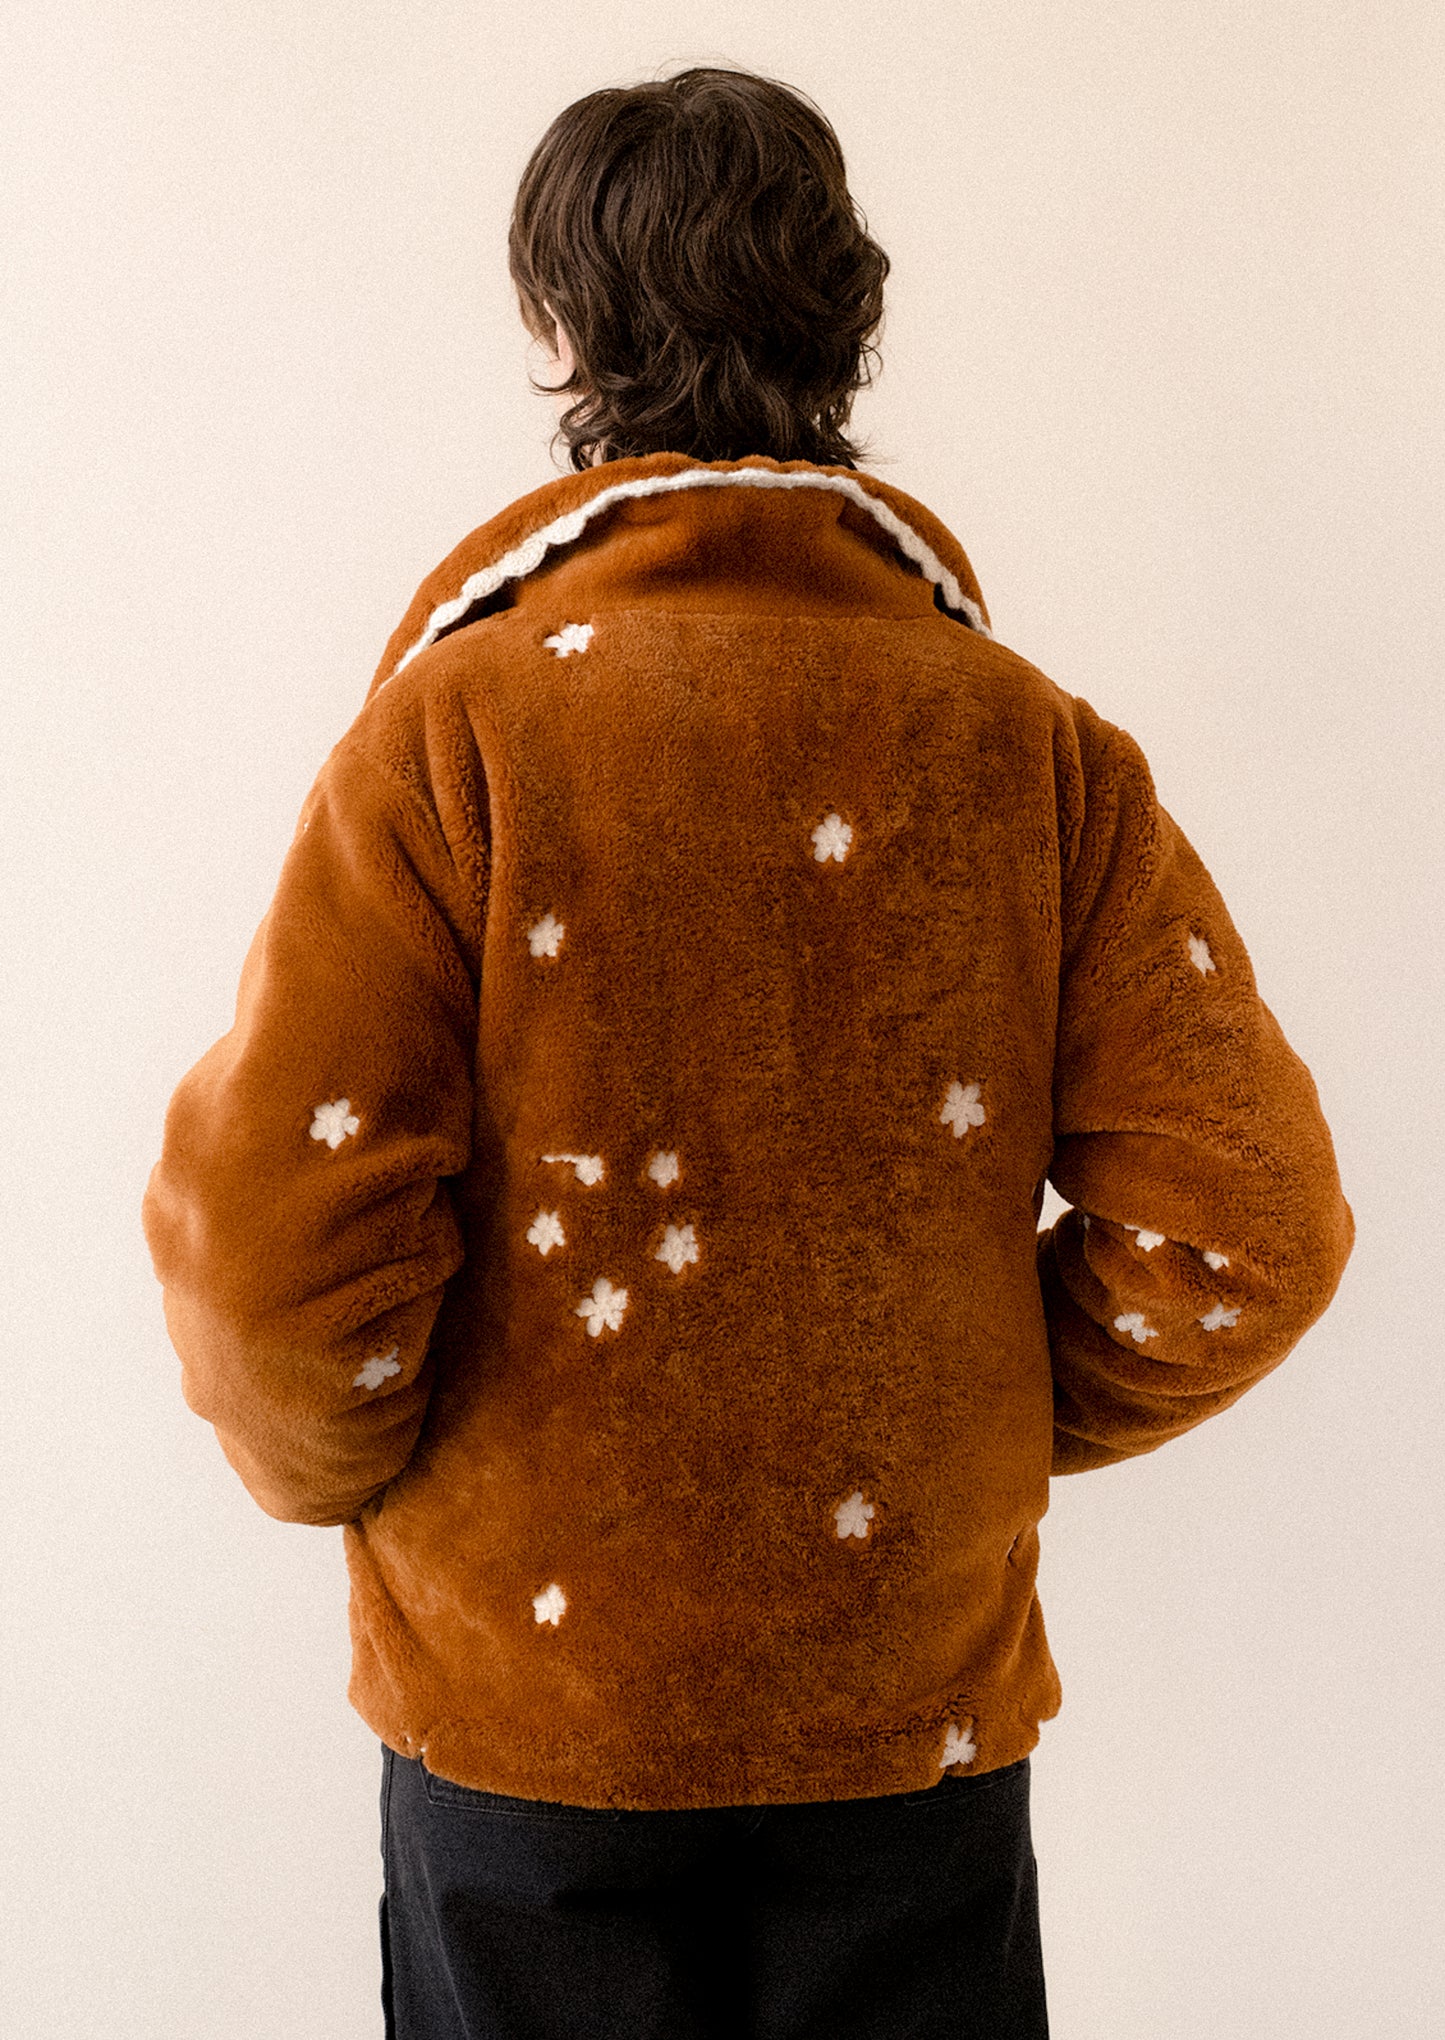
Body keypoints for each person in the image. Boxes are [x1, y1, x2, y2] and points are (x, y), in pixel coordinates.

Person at [141, 63, 1354, 2040]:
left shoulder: (451, 741)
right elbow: (1252, 1229)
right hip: (906, 1714)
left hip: (526, 1722)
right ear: (846, 320)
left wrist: (372, 1478)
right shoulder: (1035, 751)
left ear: (557, 328)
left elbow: (269, 1258)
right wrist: (945, 1422)